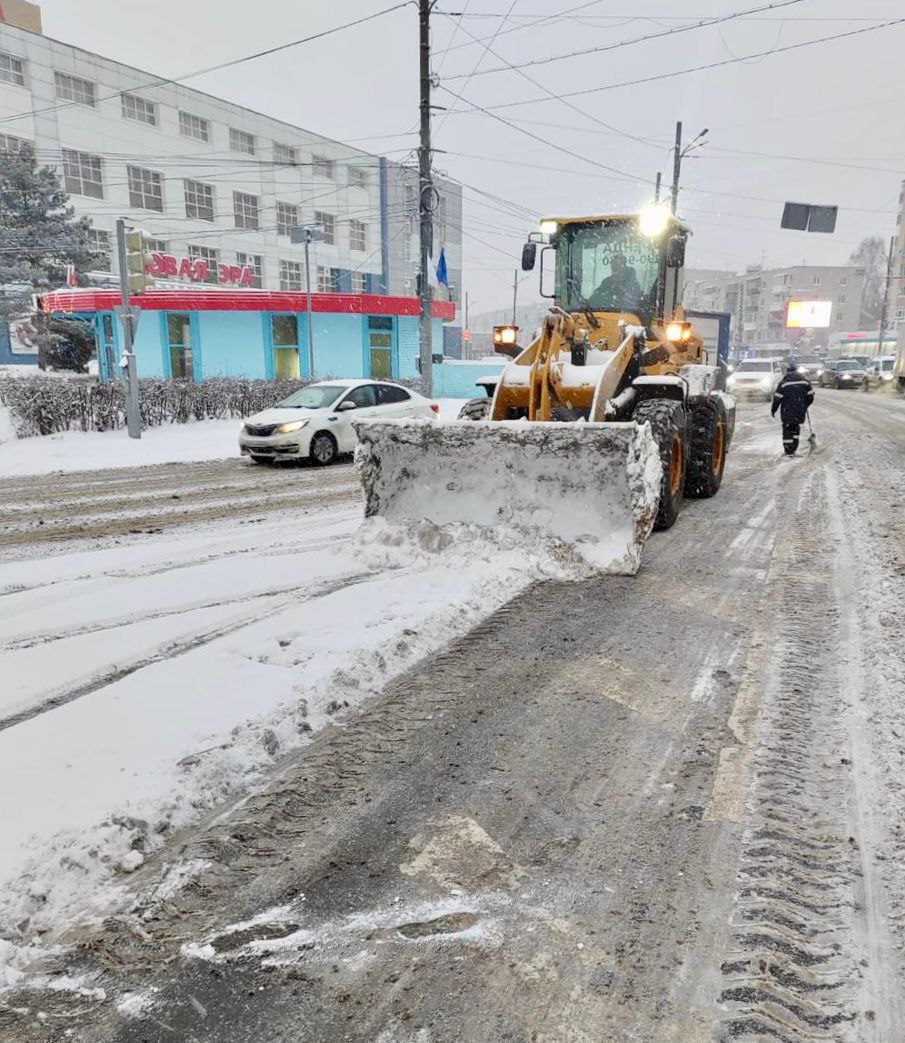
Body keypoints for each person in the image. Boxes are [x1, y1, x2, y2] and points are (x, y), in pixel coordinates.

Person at [771, 359, 814, 455]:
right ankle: (794, 447)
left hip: (787, 412)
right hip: (800, 411)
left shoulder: (783, 383)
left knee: (788, 430)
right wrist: (804, 405)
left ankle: (788, 450)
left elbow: (777, 399)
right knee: (795, 428)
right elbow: (811, 396)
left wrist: (773, 410)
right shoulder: (805, 381)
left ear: (787, 371)